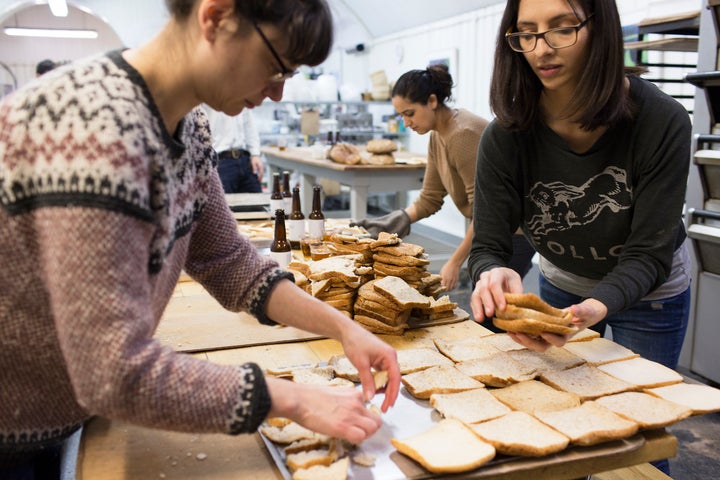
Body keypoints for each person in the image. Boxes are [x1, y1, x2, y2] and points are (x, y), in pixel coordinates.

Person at [0, 0, 401, 477]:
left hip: (66, 408)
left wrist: (342, 326)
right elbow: (113, 372)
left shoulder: (188, 125)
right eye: (276, 67)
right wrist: (290, 397)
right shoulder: (91, 128)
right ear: (216, 16)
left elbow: (229, 261)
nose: (276, 93)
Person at [468, 0, 691, 472]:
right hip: (564, 281)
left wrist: (600, 305)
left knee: (638, 441)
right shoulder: (506, 134)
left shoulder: (661, 121)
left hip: (649, 295)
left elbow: (648, 255)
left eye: (562, 29)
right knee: (560, 425)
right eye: (525, 34)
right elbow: (489, 244)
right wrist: (491, 271)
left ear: (600, 28)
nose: (541, 49)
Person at [352, 64, 535, 291]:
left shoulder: (463, 135)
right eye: (401, 116)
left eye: (409, 114)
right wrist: (397, 219)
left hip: (512, 234)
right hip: (492, 229)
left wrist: (454, 262)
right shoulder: (438, 134)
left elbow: (486, 212)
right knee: (489, 306)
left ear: (431, 101)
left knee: (492, 308)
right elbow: (430, 197)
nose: (406, 123)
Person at [204, 107, 265, 193]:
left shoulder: (241, 95)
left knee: (259, 203)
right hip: (219, 161)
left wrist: (255, 154)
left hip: (245, 159)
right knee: (225, 204)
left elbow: (248, 122)